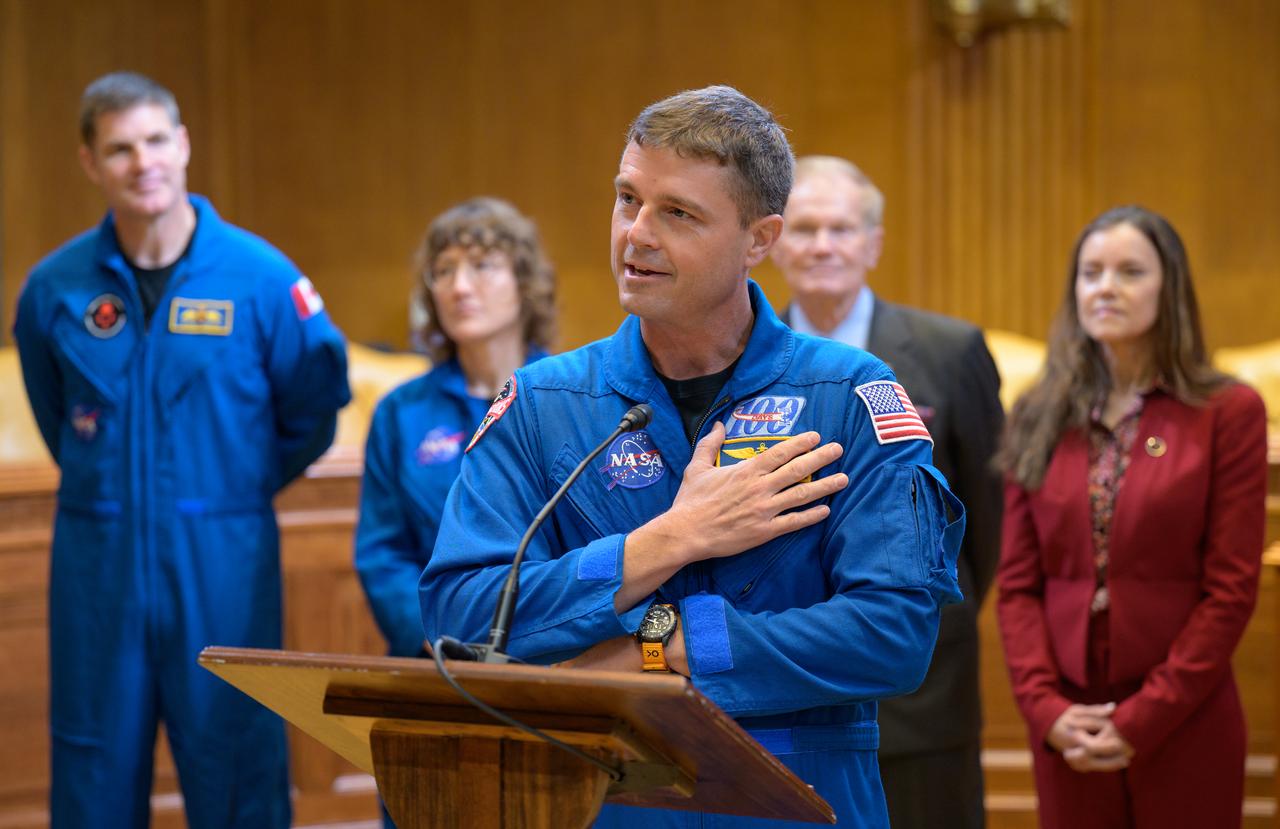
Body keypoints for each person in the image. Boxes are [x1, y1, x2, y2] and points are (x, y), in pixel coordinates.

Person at [418, 85, 966, 828]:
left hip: (797, 799)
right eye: (626, 199)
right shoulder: (545, 401)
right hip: (606, 800)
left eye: (677, 213)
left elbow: (892, 634)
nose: (635, 234)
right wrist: (667, 541)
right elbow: (461, 616)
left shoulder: (849, 392)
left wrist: (666, 650)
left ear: (760, 239)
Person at [13, 71, 350, 829]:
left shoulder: (263, 279)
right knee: (93, 770)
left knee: (237, 767)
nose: (144, 163)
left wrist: (231, 484)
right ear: (90, 162)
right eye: (121, 148)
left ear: (185, 143)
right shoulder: (54, 290)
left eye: (157, 140)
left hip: (224, 558)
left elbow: (315, 409)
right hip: (97, 567)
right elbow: (54, 409)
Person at [994, 206, 1267, 829]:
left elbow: (1230, 590)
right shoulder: (1037, 411)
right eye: (1091, 273)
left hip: (1184, 716)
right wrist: (1045, 709)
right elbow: (1017, 585)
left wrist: (1144, 717)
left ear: (1169, 288)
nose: (1105, 287)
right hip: (1068, 720)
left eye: (1130, 272)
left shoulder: (1227, 411)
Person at [771, 156, 1003, 829]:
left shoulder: (950, 350)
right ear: (775, 241)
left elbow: (986, 525)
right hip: (785, 681)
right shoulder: (741, 357)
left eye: (841, 229)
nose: (822, 245)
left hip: (925, 692)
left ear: (873, 244)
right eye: (806, 228)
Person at [356, 196, 555, 657]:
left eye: (482, 266)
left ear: (523, 282)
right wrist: (433, 638)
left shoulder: (567, 395)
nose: (460, 286)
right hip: (434, 659)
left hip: (549, 652)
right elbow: (383, 554)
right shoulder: (401, 412)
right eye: (444, 270)